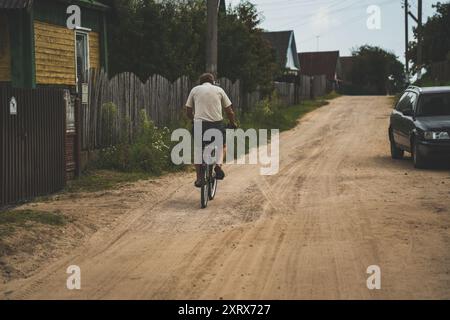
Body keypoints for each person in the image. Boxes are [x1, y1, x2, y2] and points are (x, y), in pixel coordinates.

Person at [185, 73, 238, 188]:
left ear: (201, 82)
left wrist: (193, 119)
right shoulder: (219, 90)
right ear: (213, 82)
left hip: (199, 125)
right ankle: (218, 165)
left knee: (199, 150)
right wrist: (233, 123)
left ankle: (199, 179)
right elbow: (230, 111)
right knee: (222, 146)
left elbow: (188, 111)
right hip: (216, 125)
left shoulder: (195, 90)